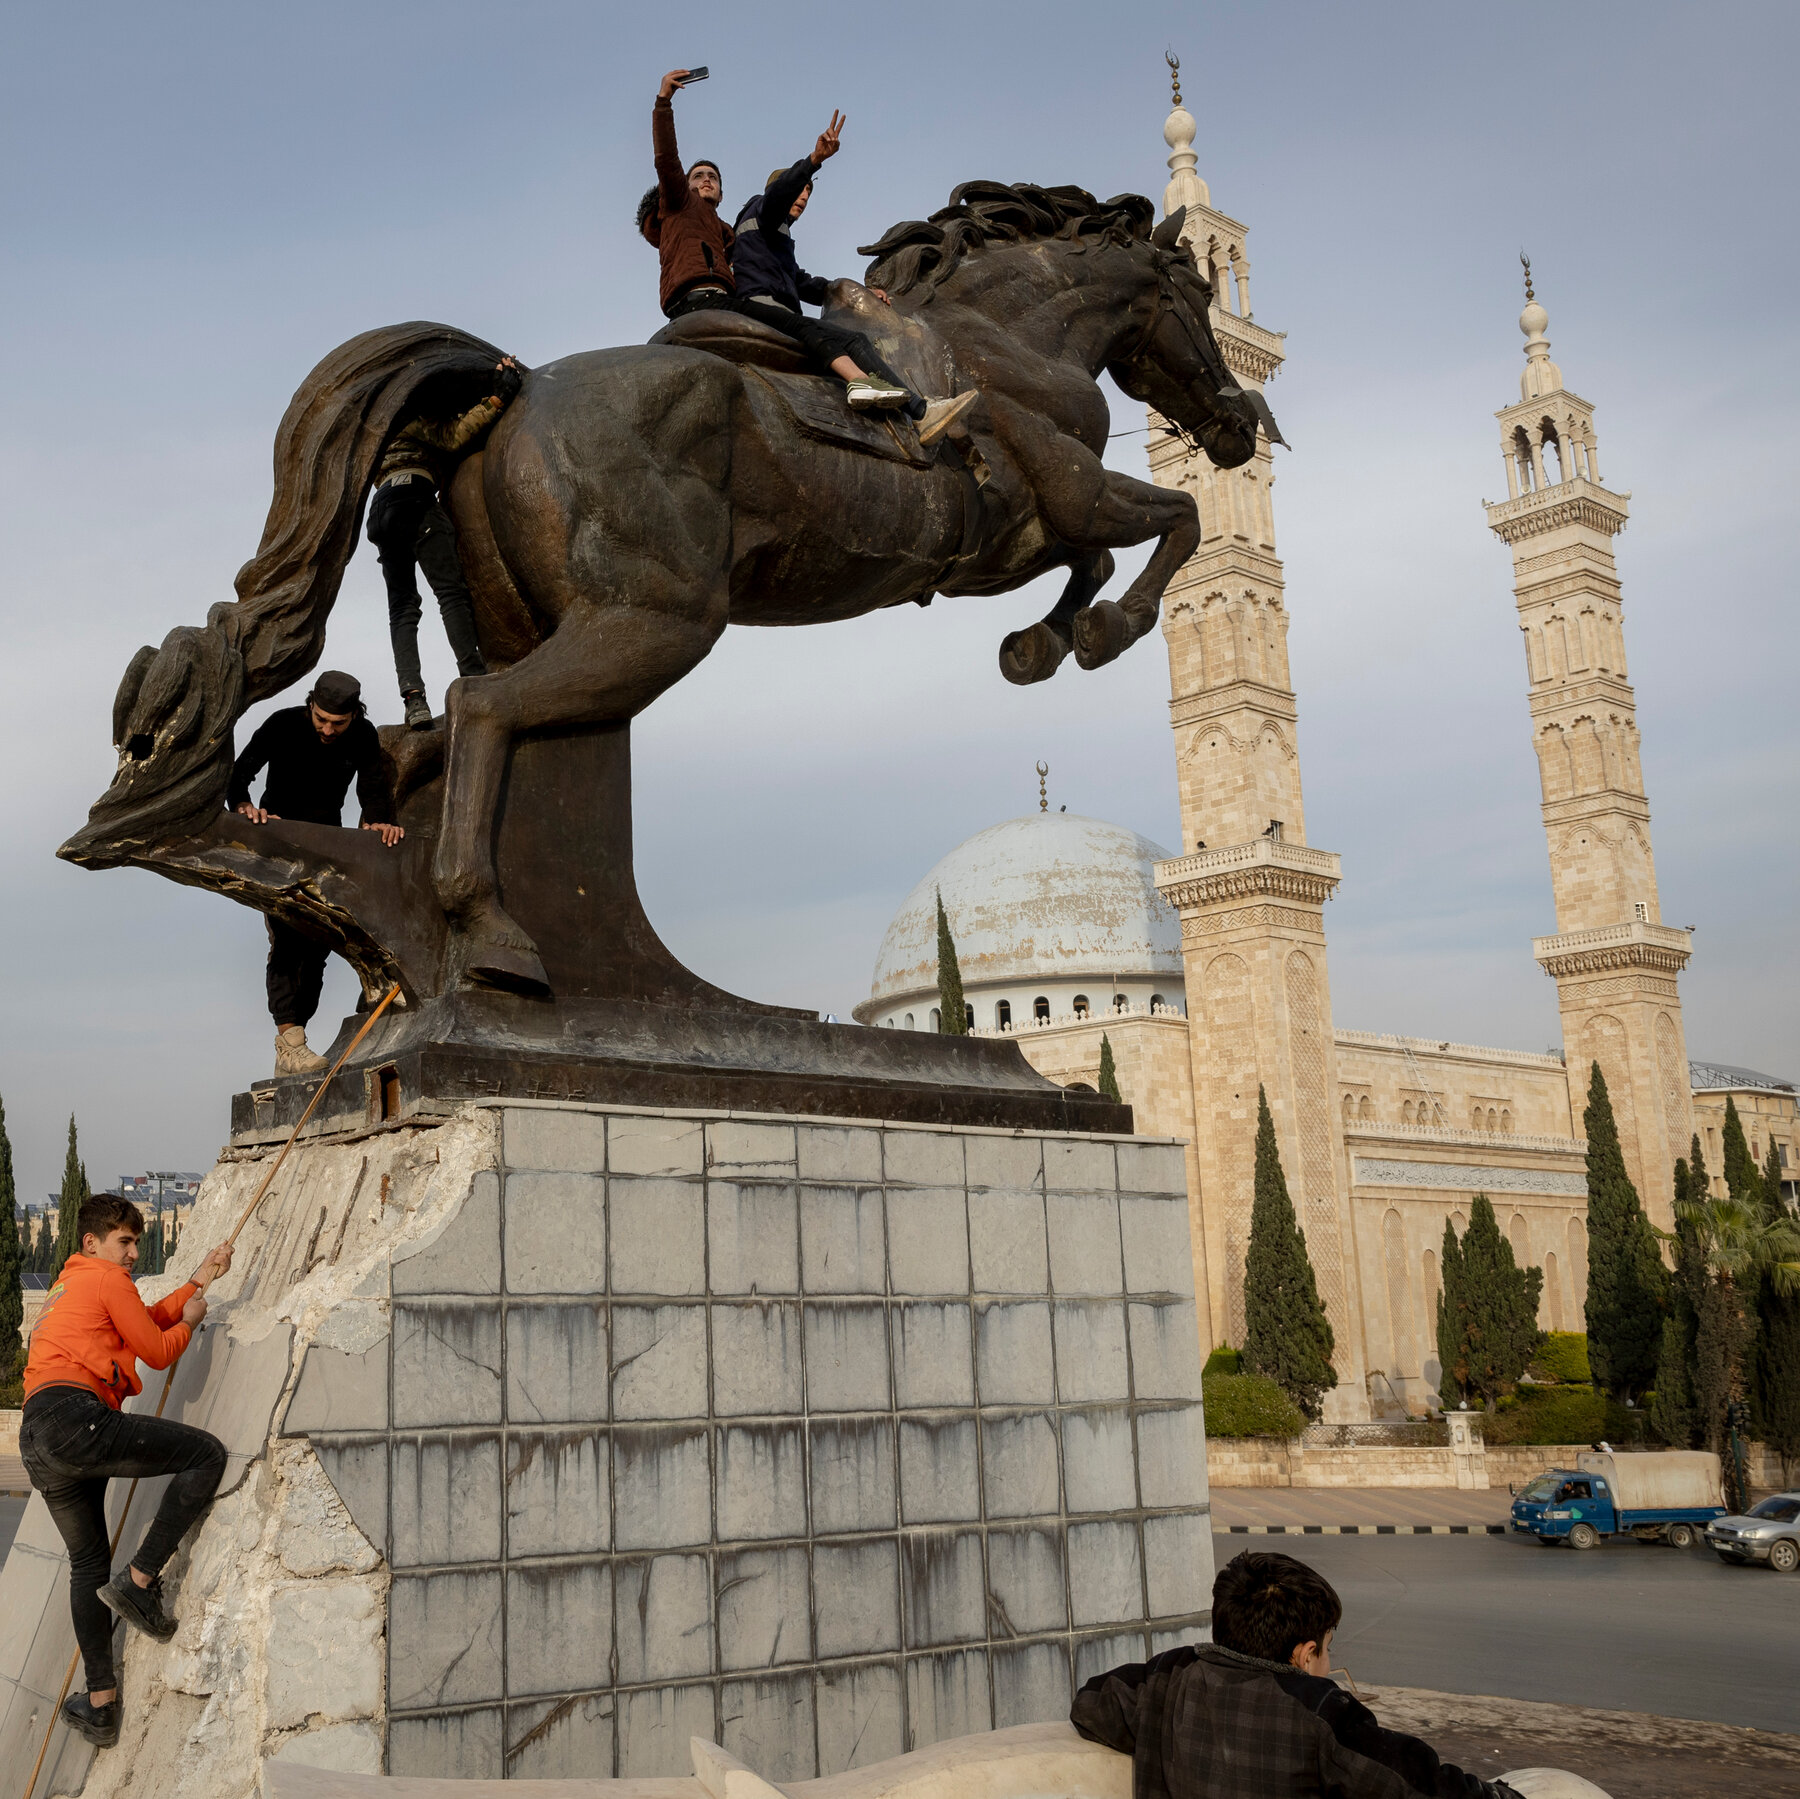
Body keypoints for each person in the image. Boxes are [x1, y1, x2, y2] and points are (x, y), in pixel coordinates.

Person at [641, 72, 977, 444]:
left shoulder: (728, 233)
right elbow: (668, 159)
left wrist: (860, 293)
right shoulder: (728, 208)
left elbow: (801, 282)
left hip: (726, 299)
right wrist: (663, 102)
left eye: (713, 178)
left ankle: (905, 404)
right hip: (708, 300)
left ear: (720, 194)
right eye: (699, 176)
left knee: (853, 340)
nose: (706, 180)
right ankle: (894, 400)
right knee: (810, 331)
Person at [19, 1195, 235, 1748]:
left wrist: (197, 1280)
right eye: (126, 1241)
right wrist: (190, 1322)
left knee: (88, 1561)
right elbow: (159, 1349)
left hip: (39, 1437)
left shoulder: (73, 1284)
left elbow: (140, 1324)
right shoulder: (108, 1278)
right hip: (76, 1417)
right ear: (93, 1242)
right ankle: (140, 1583)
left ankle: (99, 1705)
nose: (134, 1252)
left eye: (137, 1242)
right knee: (207, 1455)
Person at [1072, 1551, 1526, 1799]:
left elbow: (1090, 1703)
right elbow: (1421, 1783)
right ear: (1305, 1655)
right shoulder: (1319, 1713)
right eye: (1328, 1650)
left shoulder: (1168, 1678)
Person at [225, 670, 403, 1074]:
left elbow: (373, 786)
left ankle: (296, 1040)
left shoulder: (363, 734)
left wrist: (378, 821)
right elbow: (241, 771)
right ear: (310, 706)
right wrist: (243, 806)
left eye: (337, 723)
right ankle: (289, 1039)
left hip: (325, 844)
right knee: (287, 937)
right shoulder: (283, 723)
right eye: (320, 719)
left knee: (320, 942)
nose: (327, 729)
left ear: (354, 715)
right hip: (277, 838)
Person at [366, 356, 521, 730]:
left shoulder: (373, 433)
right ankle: (473, 676)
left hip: (382, 513)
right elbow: (452, 437)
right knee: (450, 594)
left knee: (402, 609)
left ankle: (413, 699)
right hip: (415, 500)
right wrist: (498, 399)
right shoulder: (408, 419)